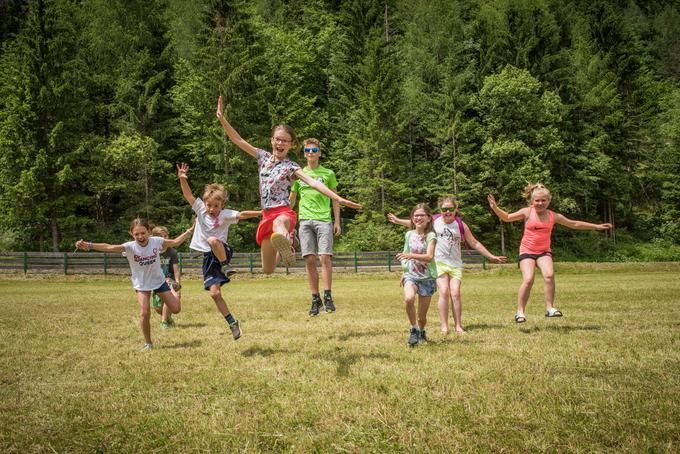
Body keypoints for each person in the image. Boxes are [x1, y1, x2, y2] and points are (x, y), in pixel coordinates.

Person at [215, 96, 361, 274]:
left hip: (282, 213)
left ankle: (288, 240)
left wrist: (338, 198)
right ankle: (285, 245)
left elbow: (313, 182)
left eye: (285, 141)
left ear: (291, 145)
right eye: (277, 139)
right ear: (271, 141)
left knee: (280, 224)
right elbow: (238, 140)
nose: (280, 143)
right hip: (266, 215)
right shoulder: (263, 158)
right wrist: (222, 118)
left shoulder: (291, 167)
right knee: (267, 270)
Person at [487, 183, 612, 323]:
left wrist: (596, 226)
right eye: (537, 201)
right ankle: (520, 312)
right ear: (532, 201)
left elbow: (574, 224)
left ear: (548, 201)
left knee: (549, 275)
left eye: (543, 200)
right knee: (528, 279)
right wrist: (495, 208)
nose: (540, 203)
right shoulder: (527, 212)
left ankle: (550, 309)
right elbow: (507, 217)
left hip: (544, 251)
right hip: (527, 251)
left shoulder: (554, 216)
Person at [388, 196, 506, 334]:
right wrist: (398, 221)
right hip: (438, 263)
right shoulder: (435, 222)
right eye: (444, 209)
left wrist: (491, 256)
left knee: (455, 293)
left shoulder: (460, 224)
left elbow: (474, 243)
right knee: (444, 291)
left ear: (456, 209)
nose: (447, 211)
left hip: (455, 264)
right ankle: (444, 326)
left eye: (451, 209)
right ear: (440, 210)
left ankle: (458, 326)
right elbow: (417, 222)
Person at [75, 219, 193, 351]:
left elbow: (176, 242)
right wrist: (89, 245)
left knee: (176, 309)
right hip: (141, 285)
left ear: (149, 232)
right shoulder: (130, 246)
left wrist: (190, 230)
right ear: (132, 234)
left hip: (159, 281)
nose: (140, 237)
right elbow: (109, 247)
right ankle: (148, 343)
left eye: (143, 233)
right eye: (136, 234)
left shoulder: (156, 241)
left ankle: (173, 289)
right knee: (144, 312)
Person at [177, 163, 261, 340]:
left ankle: (225, 266)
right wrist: (182, 178)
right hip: (209, 258)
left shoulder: (225, 214)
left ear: (222, 204)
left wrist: (261, 213)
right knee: (215, 294)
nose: (212, 209)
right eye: (209, 205)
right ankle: (232, 322)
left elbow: (242, 214)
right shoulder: (200, 210)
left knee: (213, 240)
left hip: (223, 251)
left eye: (216, 206)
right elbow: (188, 195)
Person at [289, 138, 341, 316]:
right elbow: (292, 200)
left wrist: (337, 221)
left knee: (325, 257)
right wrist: (286, 220)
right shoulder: (298, 174)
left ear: (319, 152)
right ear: (304, 153)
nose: (310, 152)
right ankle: (315, 298)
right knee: (309, 259)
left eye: (314, 150)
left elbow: (335, 198)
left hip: (324, 220)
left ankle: (328, 296)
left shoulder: (328, 173)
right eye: (308, 150)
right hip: (304, 221)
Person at [395, 203, 437, 347]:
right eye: (415, 215)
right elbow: (405, 256)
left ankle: (421, 330)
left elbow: (429, 256)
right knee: (408, 299)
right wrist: (404, 272)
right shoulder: (409, 234)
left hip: (427, 278)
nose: (418, 218)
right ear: (412, 218)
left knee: (422, 317)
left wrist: (410, 255)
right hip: (411, 275)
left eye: (421, 215)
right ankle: (413, 329)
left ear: (429, 218)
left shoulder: (431, 236)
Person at [150, 225, 185, 329]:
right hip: (156, 281)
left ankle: (164, 322)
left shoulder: (172, 252)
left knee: (168, 300)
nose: (165, 239)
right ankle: (167, 317)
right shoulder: (152, 252)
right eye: (162, 236)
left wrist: (177, 284)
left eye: (166, 236)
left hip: (170, 280)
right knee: (157, 308)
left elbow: (176, 270)